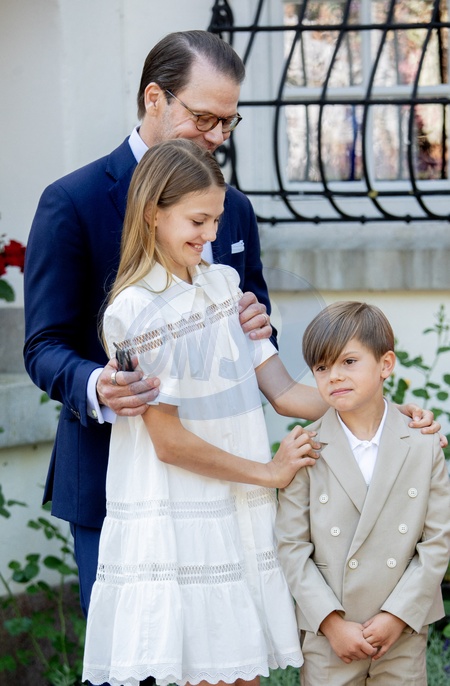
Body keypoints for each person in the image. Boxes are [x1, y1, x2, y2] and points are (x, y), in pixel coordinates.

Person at [23, 28, 438, 624]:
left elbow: (255, 337)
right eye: (204, 118)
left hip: (229, 482)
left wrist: (384, 413)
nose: (218, 136)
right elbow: (43, 344)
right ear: (154, 98)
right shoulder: (73, 200)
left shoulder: (234, 208)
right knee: (145, 648)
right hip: (118, 479)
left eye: (229, 122)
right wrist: (98, 386)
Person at [82, 138, 325, 686]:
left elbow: (286, 393)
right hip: (181, 518)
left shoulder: (225, 286)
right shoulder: (135, 311)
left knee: (244, 674)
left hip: (237, 509)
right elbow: (168, 443)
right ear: (153, 213)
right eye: (198, 221)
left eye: (216, 220)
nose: (211, 235)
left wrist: (377, 407)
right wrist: (270, 472)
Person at [275, 301, 450, 686]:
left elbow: (438, 541)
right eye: (322, 367)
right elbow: (291, 546)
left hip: (402, 629)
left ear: (385, 364)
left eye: (349, 361)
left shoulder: (423, 445)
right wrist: (331, 622)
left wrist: (397, 615)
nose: (334, 376)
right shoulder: (306, 448)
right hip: (330, 634)